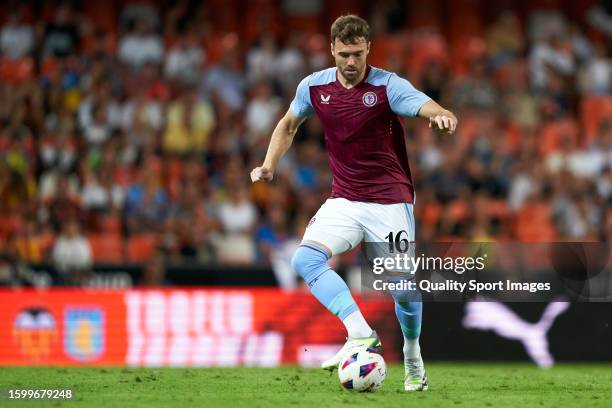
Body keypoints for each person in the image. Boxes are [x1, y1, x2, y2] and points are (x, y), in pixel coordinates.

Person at [250, 15, 457, 391]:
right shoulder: (313, 87)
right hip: (344, 200)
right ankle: (360, 332)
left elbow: (423, 103)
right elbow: (288, 124)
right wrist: (268, 165)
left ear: (368, 51)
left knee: (404, 291)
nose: (351, 62)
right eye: (344, 54)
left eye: (358, 54)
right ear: (332, 50)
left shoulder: (387, 86)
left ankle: (413, 355)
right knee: (304, 258)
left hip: (389, 203)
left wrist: (440, 114)